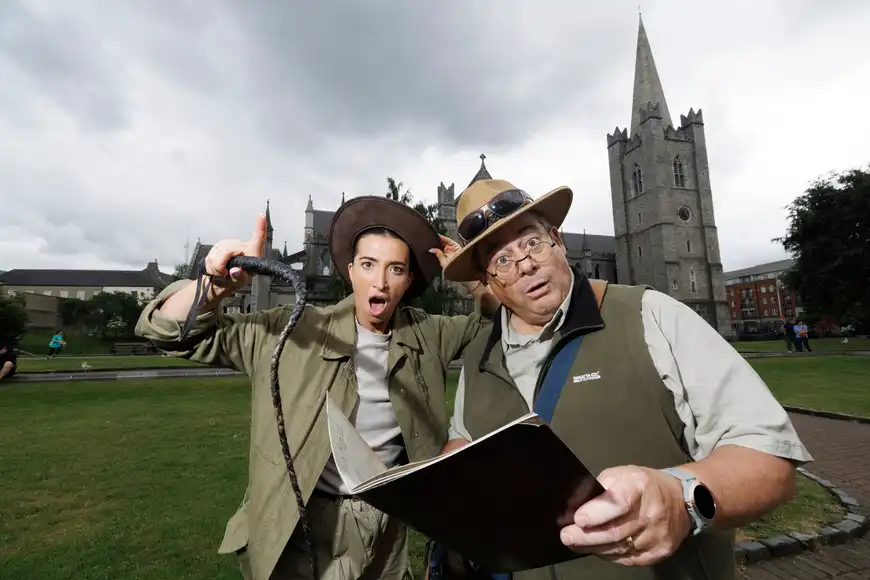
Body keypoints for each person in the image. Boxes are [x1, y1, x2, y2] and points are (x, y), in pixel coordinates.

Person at [439, 179, 812, 580]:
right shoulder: (478, 355)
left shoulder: (649, 315)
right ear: (488, 280)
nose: (526, 264)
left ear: (557, 239)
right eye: (502, 260)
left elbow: (769, 456)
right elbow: (463, 440)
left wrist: (681, 496)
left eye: (531, 242)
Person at [135, 196, 497, 580]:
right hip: (301, 528)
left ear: (407, 281)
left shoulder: (429, 334)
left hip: (387, 530)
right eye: (369, 265)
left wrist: (472, 277)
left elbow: (496, 324)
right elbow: (168, 333)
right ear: (350, 269)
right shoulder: (292, 331)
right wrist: (216, 287)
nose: (381, 281)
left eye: (396, 269)